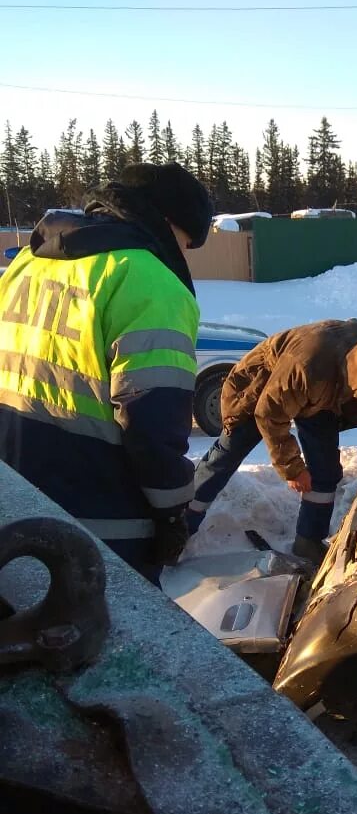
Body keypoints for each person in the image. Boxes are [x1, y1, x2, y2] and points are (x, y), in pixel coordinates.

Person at [0, 162, 213, 584]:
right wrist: (172, 512)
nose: (183, 255)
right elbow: (152, 419)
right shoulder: (148, 281)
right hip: (100, 523)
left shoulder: (29, 263)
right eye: (188, 242)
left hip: (16, 502)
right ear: (167, 222)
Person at [187, 319, 357, 563]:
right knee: (225, 456)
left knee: (325, 471)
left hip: (323, 393)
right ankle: (180, 524)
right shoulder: (306, 366)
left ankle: (309, 540)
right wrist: (292, 469)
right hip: (259, 386)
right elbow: (269, 414)